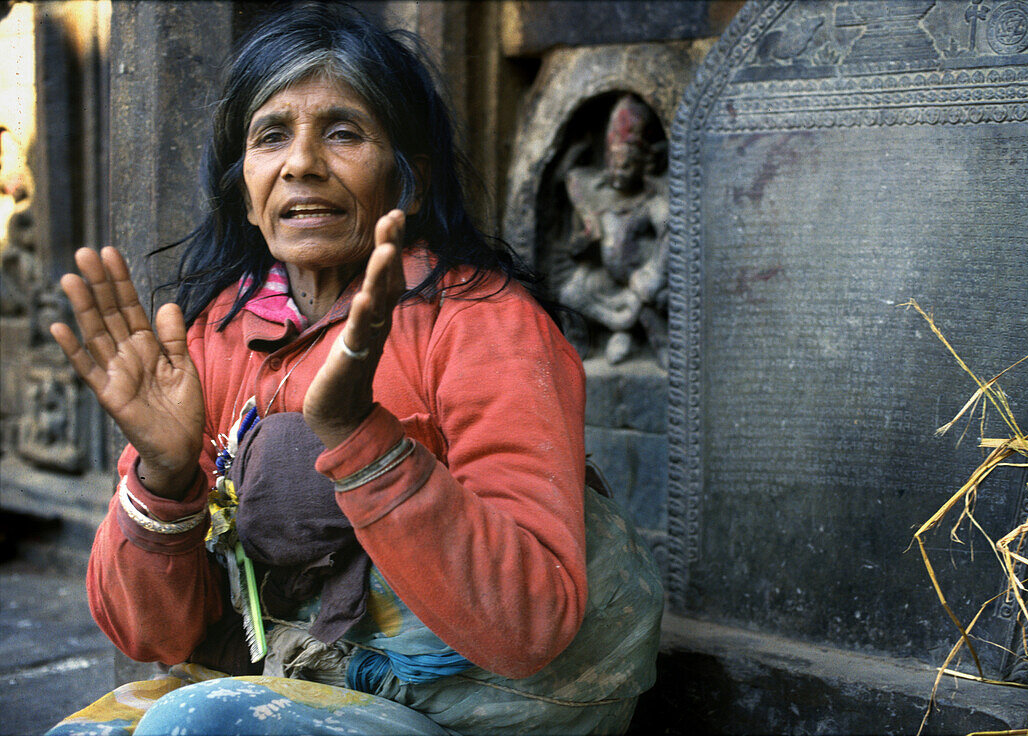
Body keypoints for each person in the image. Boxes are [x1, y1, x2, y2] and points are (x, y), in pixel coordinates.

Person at [44, 5, 662, 735]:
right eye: (271, 136)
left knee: (201, 722)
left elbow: (529, 627)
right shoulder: (215, 336)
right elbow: (154, 639)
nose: (302, 162)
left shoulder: (484, 325)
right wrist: (163, 477)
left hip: (481, 710)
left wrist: (358, 438)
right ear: (245, 189)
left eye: (343, 132)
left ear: (409, 181)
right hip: (292, 685)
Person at [559, 94, 669, 367]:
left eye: (627, 165)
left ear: (645, 165)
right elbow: (576, 248)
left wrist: (654, 272)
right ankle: (582, 347)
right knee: (571, 294)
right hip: (608, 279)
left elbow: (671, 233)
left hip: (639, 281)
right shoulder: (595, 196)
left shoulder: (653, 201)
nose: (619, 172)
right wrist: (583, 240)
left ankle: (640, 339)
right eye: (614, 164)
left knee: (648, 301)